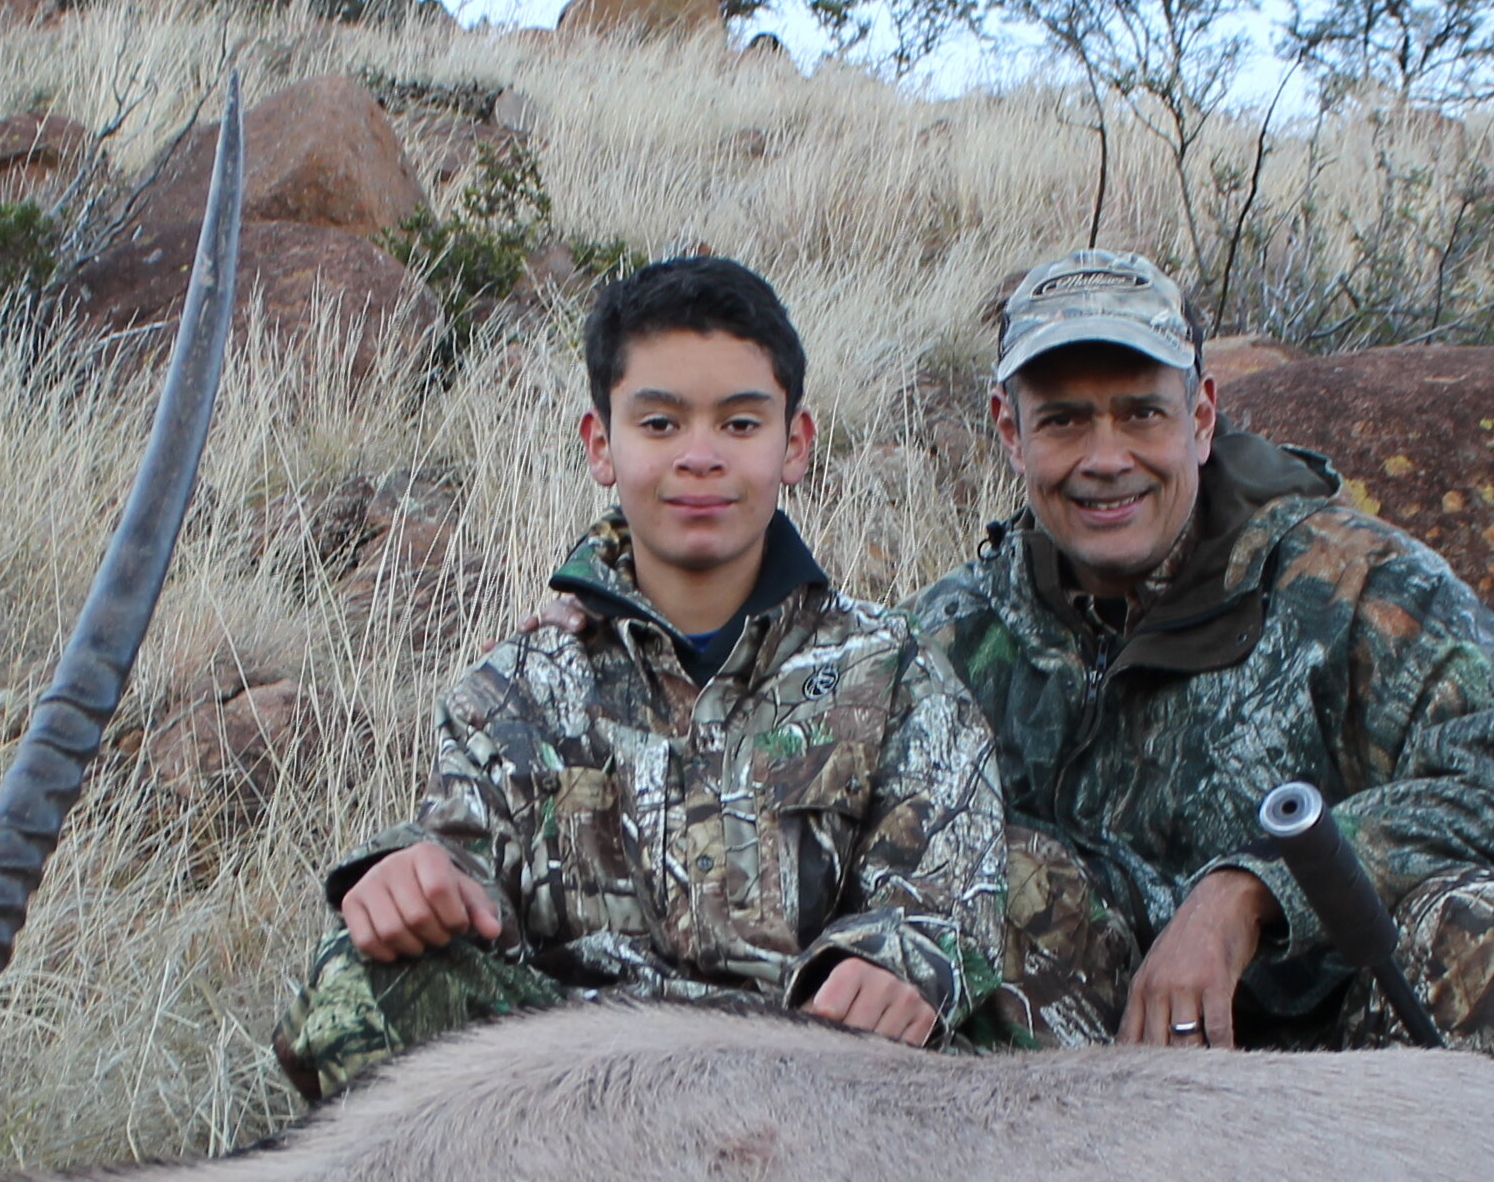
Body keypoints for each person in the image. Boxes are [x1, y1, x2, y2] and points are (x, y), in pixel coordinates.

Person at [270, 255, 1016, 1104]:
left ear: (795, 444)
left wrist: (897, 962)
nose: (699, 457)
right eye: (659, 425)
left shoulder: (894, 670)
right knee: (358, 978)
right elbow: (464, 856)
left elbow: (948, 896)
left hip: (814, 1087)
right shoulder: (518, 686)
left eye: (740, 425)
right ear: (602, 444)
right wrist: (415, 873)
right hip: (581, 1085)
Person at [906, 248, 1494, 1070]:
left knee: (1493, 925)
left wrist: (1254, 892)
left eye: (1141, 415)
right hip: (1102, 1088)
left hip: (1358, 1087)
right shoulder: (953, 633)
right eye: (1063, 420)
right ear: (1010, 432)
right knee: (994, 890)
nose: (1105, 458)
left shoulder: (1357, 585)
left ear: (1200, 419)